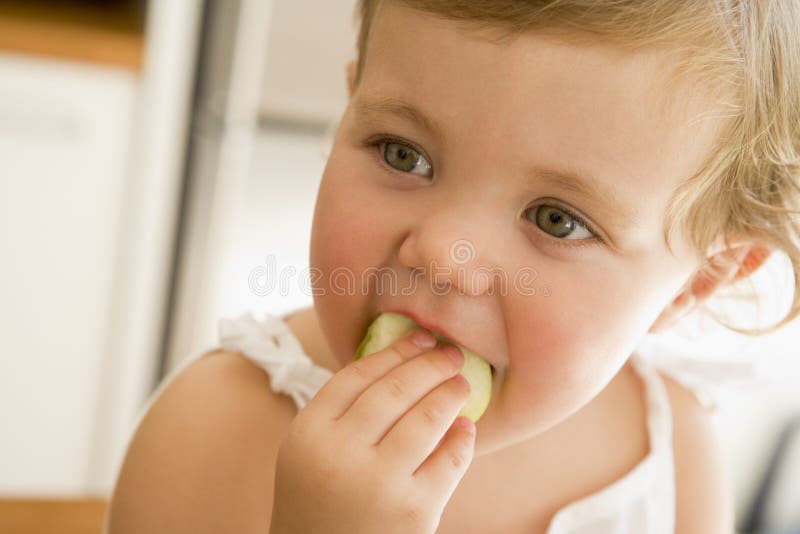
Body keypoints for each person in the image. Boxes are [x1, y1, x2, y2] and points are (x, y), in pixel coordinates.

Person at [104, 1, 800, 532]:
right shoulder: (208, 435)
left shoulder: (673, 453)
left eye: (556, 219)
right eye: (402, 153)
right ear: (346, 113)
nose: (443, 255)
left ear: (698, 283)